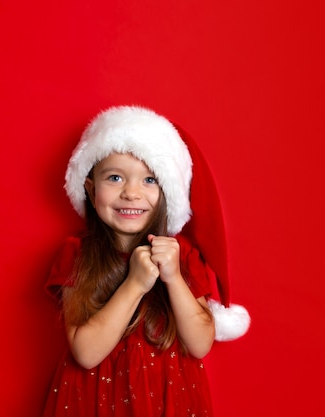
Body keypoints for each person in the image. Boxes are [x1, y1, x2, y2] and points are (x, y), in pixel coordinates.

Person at [43, 105, 249, 417]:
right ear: (90, 187)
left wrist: (174, 278)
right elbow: (85, 353)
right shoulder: (78, 255)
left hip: (169, 398)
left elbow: (200, 344)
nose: (131, 193)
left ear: (169, 191)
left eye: (149, 180)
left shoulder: (183, 255)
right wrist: (135, 284)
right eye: (115, 177)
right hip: (95, 400)